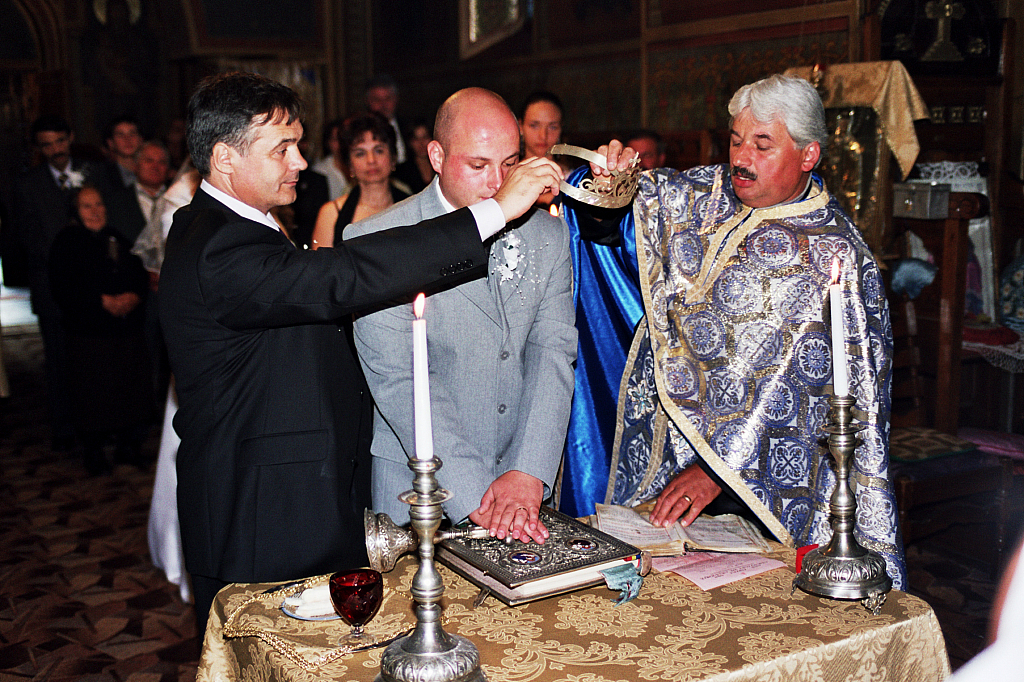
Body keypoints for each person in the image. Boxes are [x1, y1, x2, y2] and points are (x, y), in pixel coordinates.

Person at [158, 71, 562, 632]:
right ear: (225, 159)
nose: (300, 162)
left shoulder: (241, 228)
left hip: (297, 503)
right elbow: (341, 278)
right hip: (262, 515)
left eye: (298, 146)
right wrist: (493, 212)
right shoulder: (217, 243)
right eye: (283, 149)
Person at [567, 74, 906, 588]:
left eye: (762, 144)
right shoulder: (708, 195)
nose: (741, 158)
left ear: (808, 155)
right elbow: (620, 217)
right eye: (735, 140)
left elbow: (828, 404)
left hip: (758, 494)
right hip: (661, 457)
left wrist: (716, 471)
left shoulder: (835, 257)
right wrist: (609, 179)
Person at [349, 87, 577, 543]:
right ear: (436, 156)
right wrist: (483, 500)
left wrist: (528, 472)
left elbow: (554, 353)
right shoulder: (377, 241)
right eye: (478, 166)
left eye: (510, 163)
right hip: (420, 496)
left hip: (523, 492)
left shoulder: (548, 235)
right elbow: (399, 381)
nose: (499, 184)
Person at [13, 115, 106, 451]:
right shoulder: (28, 184)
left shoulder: (95, 172)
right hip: (53, 286)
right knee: (59, 361)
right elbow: (28, 237)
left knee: (94, 359)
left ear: (70, 138)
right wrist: (69, 267)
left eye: (59, 142)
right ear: (39, 148)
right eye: (46, 145)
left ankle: (99, 424)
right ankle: (65, 430)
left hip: (97, 286)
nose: (55, 150)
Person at [48, 185, 152, 475]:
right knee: (93, 395)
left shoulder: (116, 236)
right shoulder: (66, 242)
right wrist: (100, 301)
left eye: (98, 204)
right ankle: (93, 453)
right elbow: (63, 287)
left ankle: (127, 448)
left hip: (125, 330)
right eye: (87, 206)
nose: (95, 211)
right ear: (75, 213)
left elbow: (138, 270)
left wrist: (132, 296)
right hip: (90, 334)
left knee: (130, 390)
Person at [310, 113, 409, 248]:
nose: (371, 160)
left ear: (393, 157)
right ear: (349, 164)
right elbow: (321, 268)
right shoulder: (331, 214)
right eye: (360, 153)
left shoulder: (412, 205)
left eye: (378, 151)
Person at [518, 91, 571, 207]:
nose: (543, 135)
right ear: (521, 126)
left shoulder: (572, 181)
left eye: (552, 127)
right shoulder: (506, 177)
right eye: (534, 125)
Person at [365, 74, 406, 164]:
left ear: (395, 99)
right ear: (368, 102)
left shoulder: (407, 126)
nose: (383, 105)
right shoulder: (363, 130)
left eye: (388, 99)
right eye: (377, 100)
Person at [311, 117, 350, 200]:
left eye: (342, 139)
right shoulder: (320, 171)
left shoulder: (358, 166)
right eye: (335, 139)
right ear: (328, 142)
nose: (340, 144)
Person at [394, 118, 435, 194]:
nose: (421, 143)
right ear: (410, 142)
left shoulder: (441, 167)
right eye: (416, 139)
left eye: (425, 137)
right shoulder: (403, 171)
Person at [103, 116, 143, 188]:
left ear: (140, 140)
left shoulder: (152, 171)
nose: (127, 139)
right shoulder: (102, 175)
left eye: (132, 134)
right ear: (111, 143)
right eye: (120, 135)